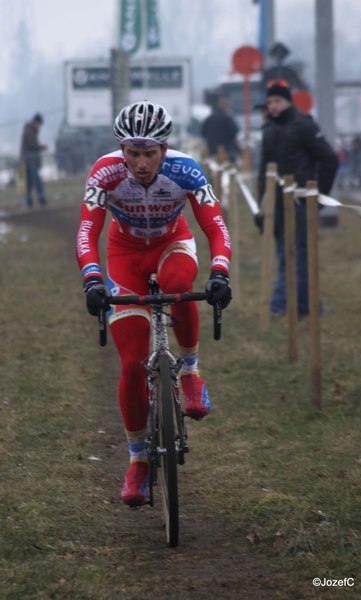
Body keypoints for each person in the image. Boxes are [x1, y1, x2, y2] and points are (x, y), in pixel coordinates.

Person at [76, 102, 232, 507]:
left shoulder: (186, 170)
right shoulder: (104, 172)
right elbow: (87, 231)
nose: (141, 163)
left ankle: (191, 372)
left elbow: (214, 224)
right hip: (125, 255)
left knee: (178, 282)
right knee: (130, 361)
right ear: (121, 150)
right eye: (133, 153)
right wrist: (93, 278)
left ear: (165, 148)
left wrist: (220, 272)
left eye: (149, 153)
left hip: (171, 245)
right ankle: (138, 461)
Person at [257, 80, 338, 317]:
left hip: (302, 202)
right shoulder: (270, 130)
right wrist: (262, 206)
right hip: (278, 205)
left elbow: (329, 160)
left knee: (300, 255)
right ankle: (288, 304)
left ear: (288, 101)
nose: (273, 106)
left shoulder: (304, 125)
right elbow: (265, 171)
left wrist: (318, 196)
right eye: (270, 102)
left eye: (278, 101)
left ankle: (303, 308)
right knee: (284, 254)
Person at [20, 114, 48, 207]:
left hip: (28, 162)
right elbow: (32, 145)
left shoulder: (29, 130)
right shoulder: (29, 132)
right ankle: (41, 201)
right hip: (30, 163)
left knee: (29, 184)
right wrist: (42, 147)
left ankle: (30, 203)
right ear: (37, 122)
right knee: (36, 183)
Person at [201, 95, 240, 163]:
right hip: (226, 150)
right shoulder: (227, 118)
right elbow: (235, 131)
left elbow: (203, 133)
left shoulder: (208, 119)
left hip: (211, 150)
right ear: (225, 106)